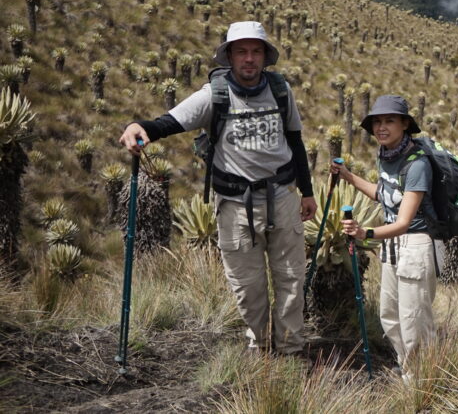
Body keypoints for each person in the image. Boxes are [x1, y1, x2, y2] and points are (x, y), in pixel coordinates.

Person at [119, 21, 315, 355]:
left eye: (256, 51)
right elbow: (171, 122)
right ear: (230, 56)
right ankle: (261, 346)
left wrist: (307, 192)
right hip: (235, 205)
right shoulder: (215, 94)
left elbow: (294, 140)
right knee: (247, 287)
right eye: (242, 52)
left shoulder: (281, 90)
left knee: (291, 280)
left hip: (282, 196)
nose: (249, 59)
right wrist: (139, 126)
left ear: (265, 56)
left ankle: (291, 351)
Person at [335, 94, 438, 373]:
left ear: (404, 124)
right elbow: (385, 195)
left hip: (415, 245)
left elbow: (404, 221)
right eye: (377, 122)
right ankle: (407, 367)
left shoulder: (417, 165)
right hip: (391, 244)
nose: (382, 127)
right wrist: (348, 176)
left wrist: (363, 232)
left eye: (389, 121)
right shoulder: (387, 156)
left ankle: (423, 379)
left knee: (413, 318)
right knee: (389, 315)